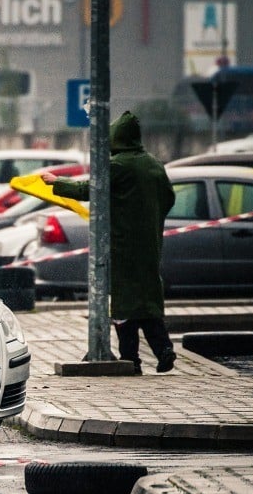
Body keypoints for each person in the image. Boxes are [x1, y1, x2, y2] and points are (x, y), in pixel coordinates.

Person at [41, 110, 176, 374]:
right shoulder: (153, 164)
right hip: (150, 244)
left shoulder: (118, 166)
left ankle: (131, 360)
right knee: (147, 300)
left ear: (116, 138)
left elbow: (89, 189)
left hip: (122, 244)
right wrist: (151, 218)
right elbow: (168, 197)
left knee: (124, 304)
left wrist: (57, 183)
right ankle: (164, 350)